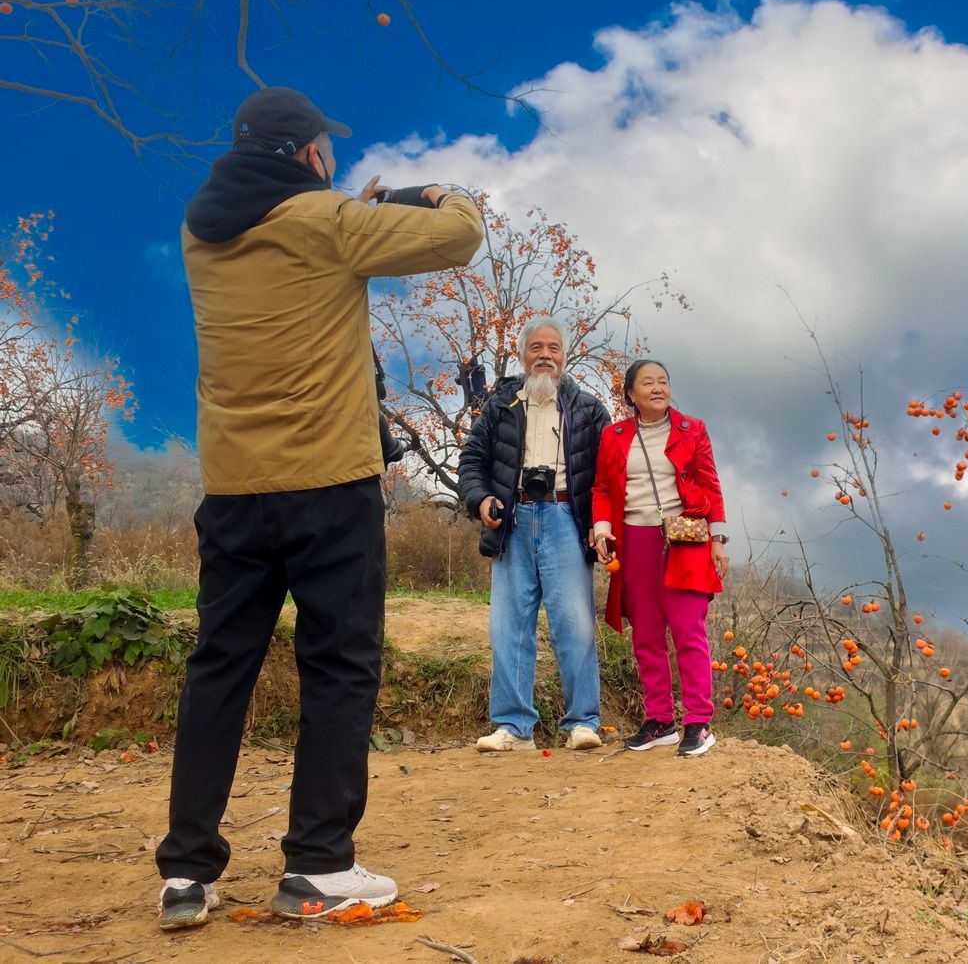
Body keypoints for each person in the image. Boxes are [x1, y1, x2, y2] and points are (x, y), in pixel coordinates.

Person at [156, 85, 484, 930]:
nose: (332, 160)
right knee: (338, 668)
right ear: (306, 153)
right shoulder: (326, 222)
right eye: (324, 150)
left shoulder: (202, 233)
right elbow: (459, 235)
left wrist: (349, 208)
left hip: (233, 489)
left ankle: (187, 872)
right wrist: (435, 193)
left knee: (218, 668)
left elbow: (298, 234)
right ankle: (319, 866)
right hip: (329, 486)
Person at [459, 316, 611, 753]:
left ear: (565, 357)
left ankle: (583, 722)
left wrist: (602, 523)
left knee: (574, 624)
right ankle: (512, 726)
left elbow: (607, 472)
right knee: (508, 626)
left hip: (567, 517)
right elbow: (472, 461)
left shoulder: (587, 408)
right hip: (511, 518)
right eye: (536, 348)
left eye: (554, 348)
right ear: (523, 355)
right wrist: (479, 500)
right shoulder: (498, 404)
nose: (545, 355)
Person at [592, 359, 729, 757]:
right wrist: (602, 527)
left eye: (663, 381)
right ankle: (660, 720)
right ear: (630, 394)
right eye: (647, 383)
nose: (657, 388)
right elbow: (602, 487)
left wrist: (718, 539)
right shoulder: (613, 435)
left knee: (688, 630)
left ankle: (699, 722)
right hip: (634, 539)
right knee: (647, 634)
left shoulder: (692, 429)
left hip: (685, 537)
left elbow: (709, 482)